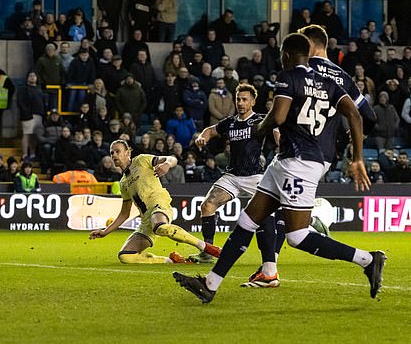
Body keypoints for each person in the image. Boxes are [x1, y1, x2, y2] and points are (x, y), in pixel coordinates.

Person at [173, 33, 385, 303]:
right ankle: (210, 284)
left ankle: (367, 260)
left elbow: (279, 116)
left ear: (286, 55)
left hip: (298, 163)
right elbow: (356, 114)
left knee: (297, 235)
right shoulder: (328, 81)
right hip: (289, 160)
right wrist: (356, 157)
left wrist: (258, 129)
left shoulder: (289, 77)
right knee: (247, 220)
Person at [88, 140, 221, 264]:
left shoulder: (141, 160)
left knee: (160, 226)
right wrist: (105, 232)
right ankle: (171, 261)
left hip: (159, 205)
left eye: (117, 151)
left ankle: (207, 248)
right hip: (146, 222)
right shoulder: (123, 183)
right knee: (125, 256)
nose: (114, 155)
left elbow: (172, 158)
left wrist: (167, 164)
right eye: (112, 152)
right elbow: (124, 214)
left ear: (128, 152)